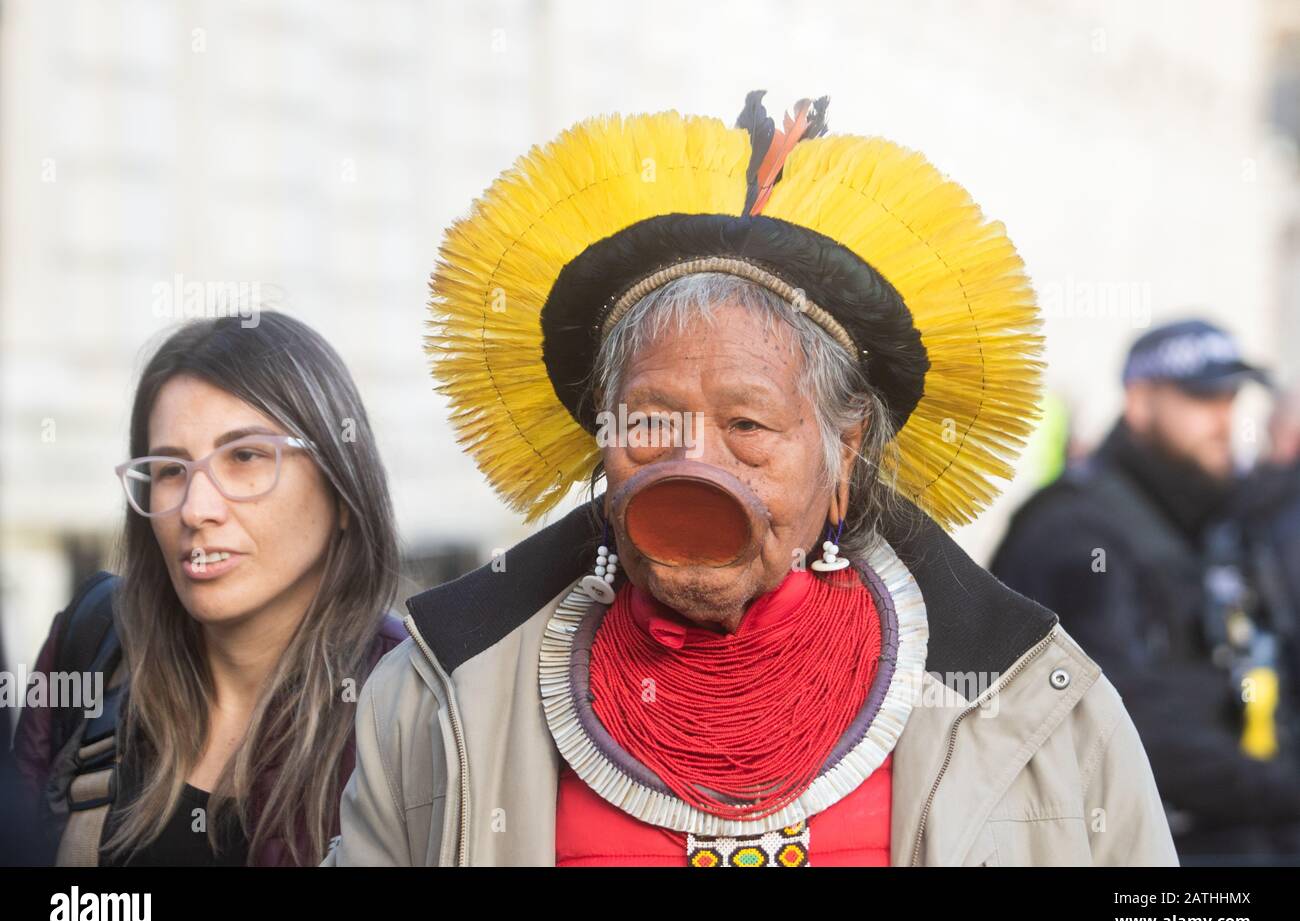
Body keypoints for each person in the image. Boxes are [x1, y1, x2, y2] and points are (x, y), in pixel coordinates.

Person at [325, 91, 1177, 866]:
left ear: (844, 454)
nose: (694, 467)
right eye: (652, 422)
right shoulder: (438, 702)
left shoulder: (1043, 711)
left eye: (747, 425)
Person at [13, 312, 404, 865]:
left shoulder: (411, 710)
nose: (195, 510)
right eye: (171, 470)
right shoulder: (94, 645)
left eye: (244, 457)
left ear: (341, 486)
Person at [993, 318, 1300, 863]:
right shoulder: (1077, 531)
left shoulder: (1202, 515)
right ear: (1140, 402)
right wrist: (1281, 789)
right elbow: (1126, 724)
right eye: (1201, 398)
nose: (1223, 419)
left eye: (1231, 398)